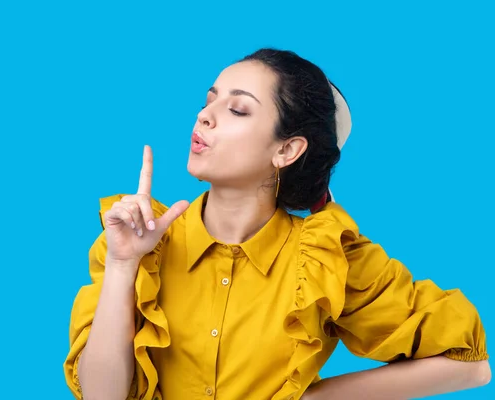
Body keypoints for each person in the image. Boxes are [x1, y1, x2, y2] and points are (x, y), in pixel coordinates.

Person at [63, 48, 490, 400]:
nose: (204, 116)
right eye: (209, 99)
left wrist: (311, 399)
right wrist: (123, 264)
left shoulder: (325, 259)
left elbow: (471, 367)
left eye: (236, 109)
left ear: (287, 150)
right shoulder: (135, 240)